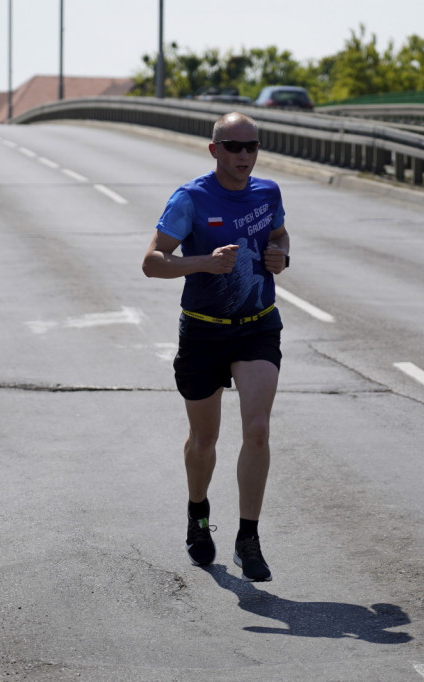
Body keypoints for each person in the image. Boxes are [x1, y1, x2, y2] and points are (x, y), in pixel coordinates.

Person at [142, 112, 290, 582]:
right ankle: (198, 513)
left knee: (259, 429)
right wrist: (205, 262)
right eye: (234, 147)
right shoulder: (190, 199)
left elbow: (278, 235)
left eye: (252, 146)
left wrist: (282, 254)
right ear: (214, 150)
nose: (244, 155)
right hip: (204, 330)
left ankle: (249, 539)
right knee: (204, 440)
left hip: (257, 326)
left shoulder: (268, 193)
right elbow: (151, 262)